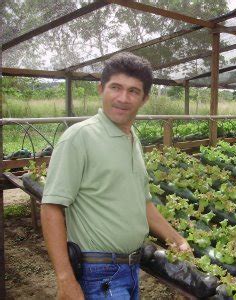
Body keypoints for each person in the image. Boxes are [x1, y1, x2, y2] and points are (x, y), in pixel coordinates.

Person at [41, 52, 190, 300]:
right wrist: (65, 280)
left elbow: (142, 203)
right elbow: (51, 208)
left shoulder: (134, 139)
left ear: (144, 98)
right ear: (101, 89)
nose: (123, 98)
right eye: (115, 88)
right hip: (98, 273)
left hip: (131, 268)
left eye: (133, 91)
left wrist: (176, 239)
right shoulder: (79, 137)